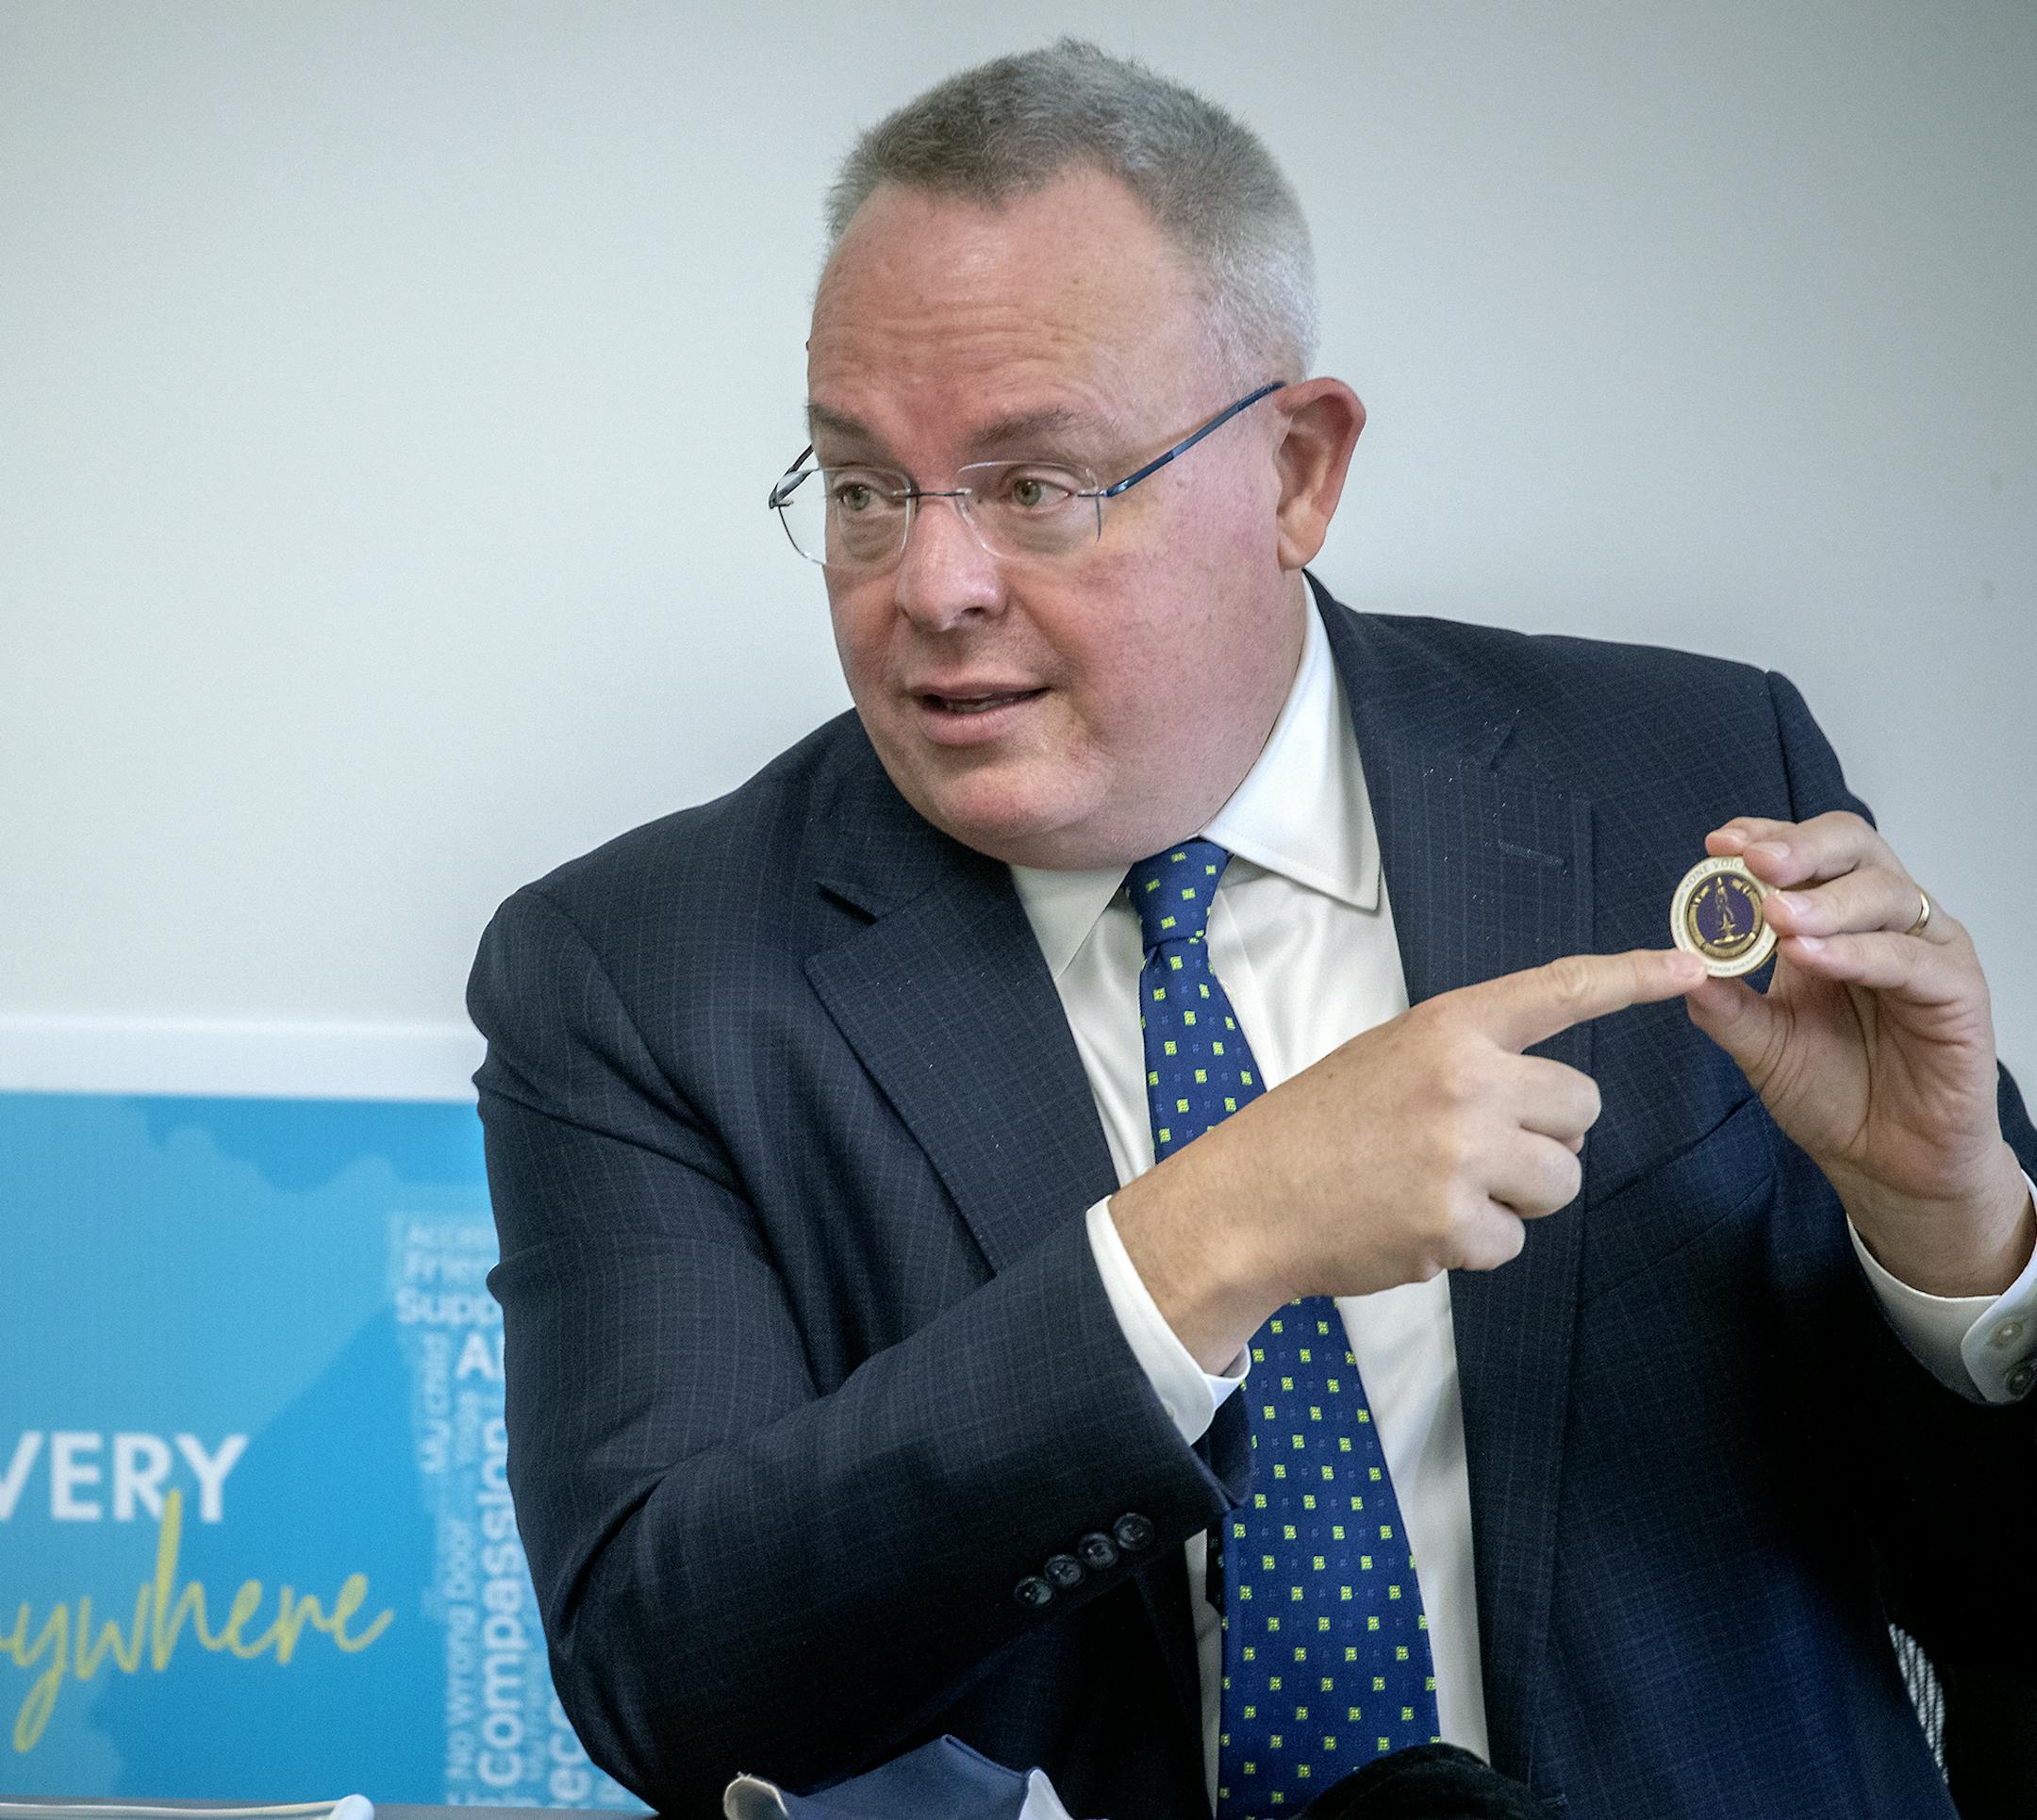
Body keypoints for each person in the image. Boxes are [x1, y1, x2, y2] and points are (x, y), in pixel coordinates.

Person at [467, 40, 2037, 1820]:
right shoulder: (641, 973)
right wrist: (1201, 1244)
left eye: (1036, 485)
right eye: (865, 489)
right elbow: (671, 1676)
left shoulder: (1681, 780)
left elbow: (2008, 1596)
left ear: (1297, 469)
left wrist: (1953, 1237)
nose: (932, 585)